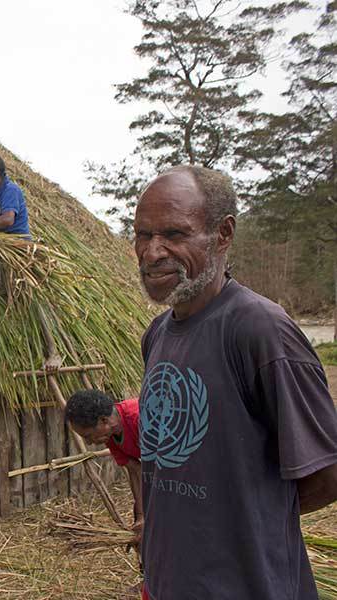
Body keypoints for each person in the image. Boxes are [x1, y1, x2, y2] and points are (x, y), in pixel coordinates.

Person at [134, 165, 337, 599]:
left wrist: (241, 526)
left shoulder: (261, 331)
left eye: (174, 233)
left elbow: (328, 475)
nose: (152, 252)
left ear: (223, 234)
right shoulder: (157, 335)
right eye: (143, 234)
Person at [65, 391, 142, 542]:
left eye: (88, 435)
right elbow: (136, 470)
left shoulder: (139, 418)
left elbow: (161, 469)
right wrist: (141, 516)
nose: (88, 443)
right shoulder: (111, 436)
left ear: (104, 420)